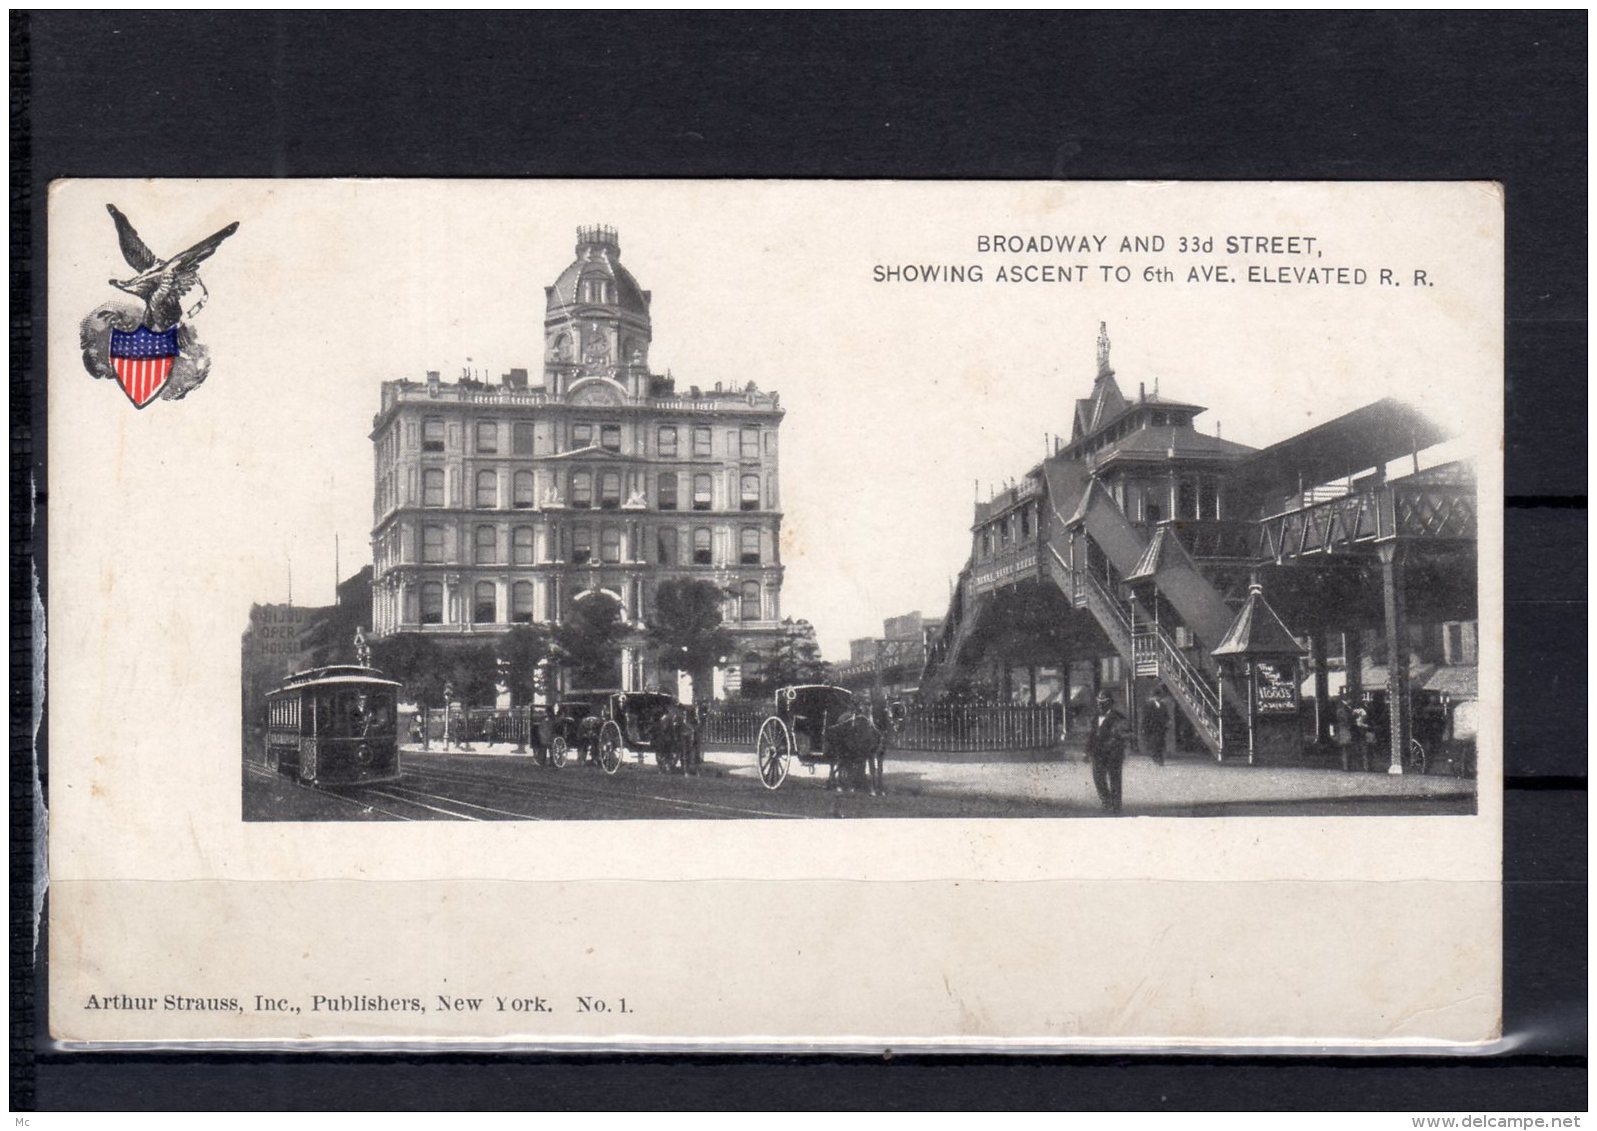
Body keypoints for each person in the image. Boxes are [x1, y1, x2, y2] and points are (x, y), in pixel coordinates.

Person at [1085, 690, 1130, 813]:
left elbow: (1122, 735)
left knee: (1115, 779)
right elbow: (1091, 735)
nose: (1100, 705)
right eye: (1099, 702)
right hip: (1097, 753)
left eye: (1103, 703)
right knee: (1098, 778)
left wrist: (1116, 745)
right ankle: (1106, 800)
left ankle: (1116, 806)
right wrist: (1087, 752)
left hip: (1113, 754)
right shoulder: (1095, 717)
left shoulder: (1118, 717)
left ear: (1110, 703)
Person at [1143, 691, 1170, 765]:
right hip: (1152, 728)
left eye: (1159, 697)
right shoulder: (1148, 706)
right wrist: (1145, 728)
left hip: (1161, 728)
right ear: (1154, 697)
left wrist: (1168, 721)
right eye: (1156, 696)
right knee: (1154, 744)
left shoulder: (1163, 705)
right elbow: (1146, 718)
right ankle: (1156, 758)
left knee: (1161, 744)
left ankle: (1160, 759)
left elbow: (1166, 715)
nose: (1158, 698)